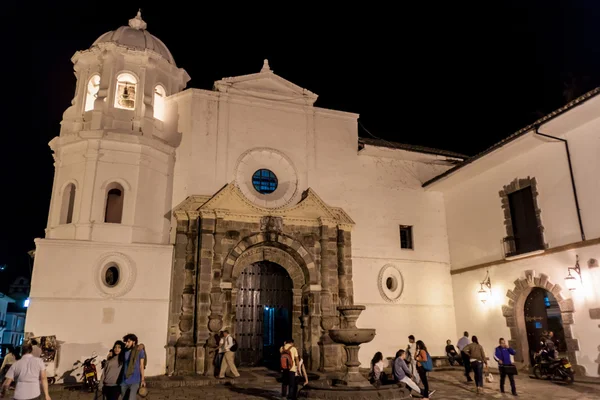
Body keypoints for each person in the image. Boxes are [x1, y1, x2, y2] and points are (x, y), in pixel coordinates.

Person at [121, 333, 146, 400]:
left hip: (135, 380)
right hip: (124, 380)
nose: (127, 343)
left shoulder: (139, 351)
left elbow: (141, 365)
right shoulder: (124, 351)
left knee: (131, 398)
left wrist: (143, 379)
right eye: (126, 342)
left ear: (134, 341)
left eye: (128, 342)